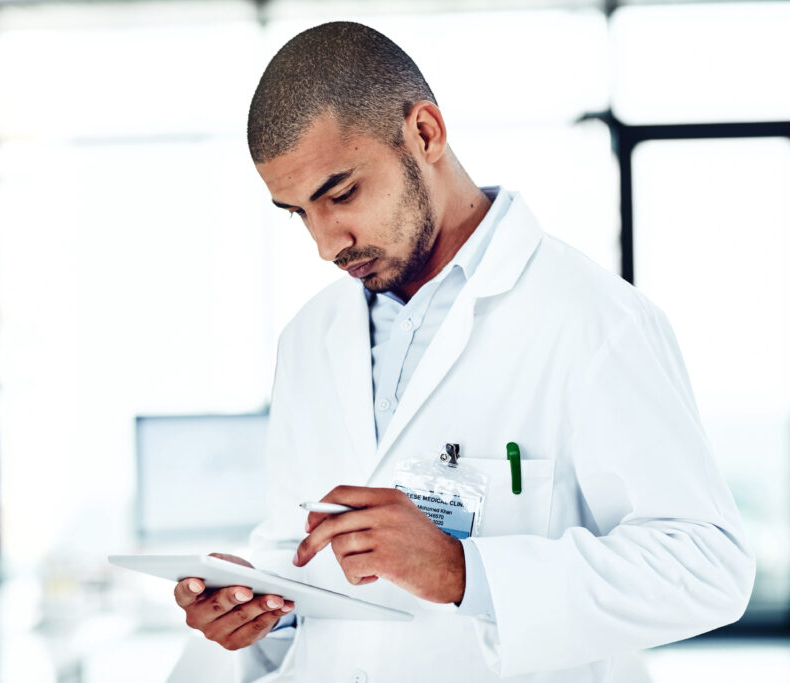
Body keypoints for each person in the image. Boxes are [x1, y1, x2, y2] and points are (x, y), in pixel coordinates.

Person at [173, 21, 754, 682]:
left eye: (341, 194)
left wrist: (465, 571)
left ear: (425, 133)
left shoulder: (592, 319)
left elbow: (708, 566)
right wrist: (263, 608)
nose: (326, 243)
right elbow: (300, 552)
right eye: (298, 212)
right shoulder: (309, 338)